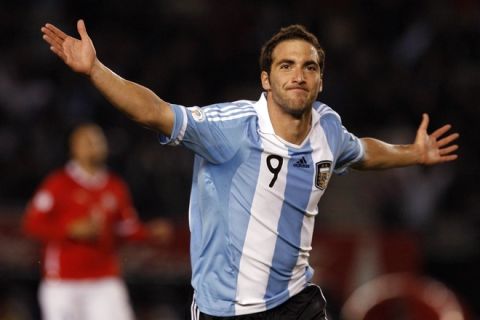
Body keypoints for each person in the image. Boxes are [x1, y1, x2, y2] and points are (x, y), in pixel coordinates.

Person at [40, 21, 459, 319]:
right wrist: (96, 70)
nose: (299, 75)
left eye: (309, 67)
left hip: (297, 301)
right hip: (227, 309)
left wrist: (413, 152)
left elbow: (361, 151)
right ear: (265, 78)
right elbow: (153, 112)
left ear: (321, 80)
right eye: (286, 65)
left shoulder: (327, 127)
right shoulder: (231, 128)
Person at [22, 123, 173, 320]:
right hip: (63, 282)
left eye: (98, 141)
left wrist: (149, 232)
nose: (94, 146)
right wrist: (69, 230)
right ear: (74, 147)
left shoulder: (115, 186)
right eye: (87, 142)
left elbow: (125, 228)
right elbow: (31, 224)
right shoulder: (57, 184)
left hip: (104, 280)